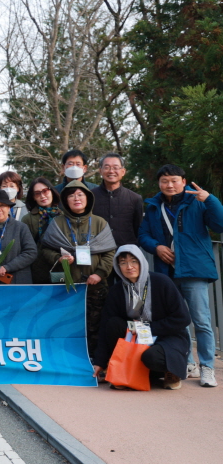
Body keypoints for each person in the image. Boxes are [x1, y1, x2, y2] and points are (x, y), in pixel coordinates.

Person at [139, 164, 223, 387]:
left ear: (183, 182)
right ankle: (188, 363)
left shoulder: (198, 201)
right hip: (167, 272)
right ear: (159, 183)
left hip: (194, 270)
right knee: (177, 322)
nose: (170, 185)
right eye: (165, 181)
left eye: (174, 180)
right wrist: (156, 247)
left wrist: (210, 199)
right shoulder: (154, 206)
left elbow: (220, 224)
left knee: (201, 321)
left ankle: (207, 367)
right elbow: (143, 235)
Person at [93, 246, 192, 391]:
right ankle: (123, 369)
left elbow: (183, 318)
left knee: (152, 357)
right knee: (113, 324)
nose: (129, 267)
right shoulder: (117, 290)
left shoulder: (162, 282)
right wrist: (100, 361)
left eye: (134, 261)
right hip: (136, 336)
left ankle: (171, 371)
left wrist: (147, 328)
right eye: (123, 263)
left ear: (142, 262)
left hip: (166, 335)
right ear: (118, 266)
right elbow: (104, 326)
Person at [40, 181, 116, 357]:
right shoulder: (57, 223)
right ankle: (69, 360)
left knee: (96, 324)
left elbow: (109, 251)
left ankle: (95, 361)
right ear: (65, 200)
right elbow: (46, 249)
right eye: (71, 195)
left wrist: (100, 274)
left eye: (80, 194)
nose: (76, 198)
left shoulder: (99, 222)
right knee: (66, 324)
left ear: (88, 198)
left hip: (95, 285)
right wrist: (58, 258)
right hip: (67, 285)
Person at [91, 153, 144, 255]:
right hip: (97, 254)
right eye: (107, 167)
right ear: (100, 170)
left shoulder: (135, 198)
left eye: (115, 167)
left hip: (126, 254)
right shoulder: (90, 196)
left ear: (123, 171)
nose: (111, 171)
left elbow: (138, 228)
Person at [20, 178, 62, 284]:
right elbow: (25, 248)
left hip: (61, 266)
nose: (42, 196)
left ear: (52, 191)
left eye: (45, 191)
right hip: (37, 271)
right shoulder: (28, 219)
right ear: (33, 197)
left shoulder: (63, 216)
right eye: (37, 193)